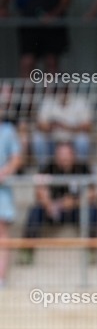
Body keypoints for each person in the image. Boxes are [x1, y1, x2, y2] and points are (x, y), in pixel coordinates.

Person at [22, 140, 97, 260]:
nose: (64, 158)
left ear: (73, 155)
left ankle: (92, 249)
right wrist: (49, 205)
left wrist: (75, 202)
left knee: (93, 211)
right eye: (61, 154)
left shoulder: (83, 168)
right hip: (54, 210)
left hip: (76, 210)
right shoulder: (49, 167)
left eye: (66, 154)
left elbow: (93, 192)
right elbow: (39, 190)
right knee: (35, 211)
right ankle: (27, 249)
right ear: (56, 155)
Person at [31, 84, 92, 167]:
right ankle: (43, 168)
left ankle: (81, 168)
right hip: (53, 140)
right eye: (60, 89)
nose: (63, 93)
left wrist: (66, 126)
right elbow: (40, 124)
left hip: (72, 140)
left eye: (65, 89)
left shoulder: (80, 102)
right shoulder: (48, 102)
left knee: (83, 140)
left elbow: (87, 125)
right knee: (38, 138)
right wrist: (52, 126)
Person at [0, 118, 24, 287]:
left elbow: (16, 159)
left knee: (2, 233)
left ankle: (1, 278)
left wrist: (3, 173)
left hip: (2, 190)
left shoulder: (7, 131)